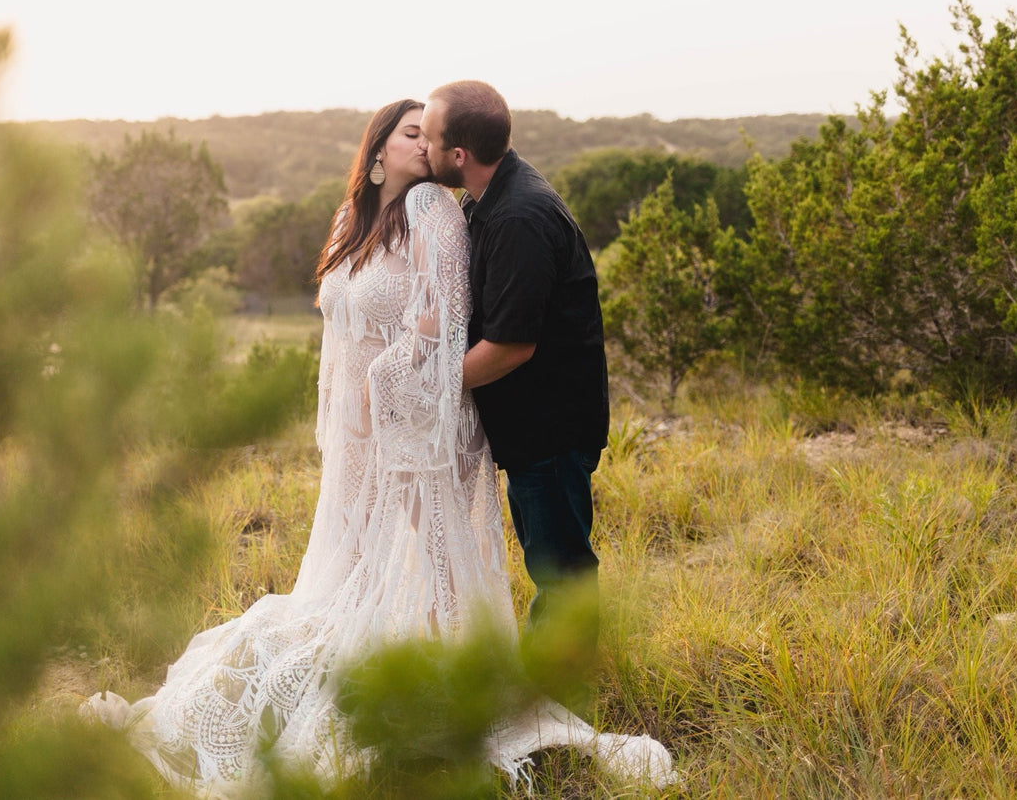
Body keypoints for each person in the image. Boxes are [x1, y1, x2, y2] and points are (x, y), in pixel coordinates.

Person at [82, 99, 672, 795]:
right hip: (361, 439)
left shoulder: (435, 212)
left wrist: (397, 374)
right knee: (358, 569)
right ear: (376, 151)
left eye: (431, 134)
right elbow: (341, 327)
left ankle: (467, 684)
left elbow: (451, 320)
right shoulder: (350, 221)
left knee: (434, 563)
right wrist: (344, 423)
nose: (424, 144)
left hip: (419, 428)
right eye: (410, 133)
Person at [420, 81, 609, 663]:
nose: (422, 147)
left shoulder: (519, 217)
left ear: (458, 156)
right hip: (531, 427)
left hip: (550, 426)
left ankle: (563, 705)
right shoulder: (484, 203)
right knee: (549, 561)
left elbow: (509, 348)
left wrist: (425, 390)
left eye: (428, 137)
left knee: (561, 573)